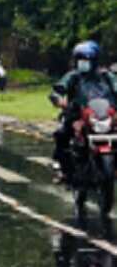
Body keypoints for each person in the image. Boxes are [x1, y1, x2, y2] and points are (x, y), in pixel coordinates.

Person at [50, 41, 117, 185]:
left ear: (95, 61)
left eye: (86, 60)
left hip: (102, 113)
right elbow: (58, 89)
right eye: (80, 60)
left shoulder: (107, 76)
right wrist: (58, 99)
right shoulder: (73, 76)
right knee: (62, 133)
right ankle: (62, 168)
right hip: (77, 114)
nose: (83, 63)